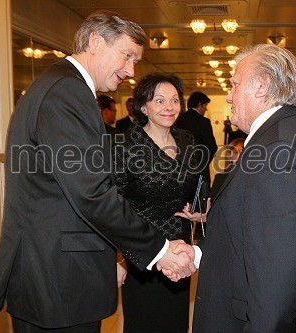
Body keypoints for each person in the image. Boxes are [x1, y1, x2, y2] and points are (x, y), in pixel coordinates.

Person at [0, 11, 195, 332]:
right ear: (95, 42)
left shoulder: (57, 86)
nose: (130, 70)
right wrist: (161, 250)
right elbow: (91, 192)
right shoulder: (68, 93)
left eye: (136, 61)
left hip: (54, 272)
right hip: (59, 277)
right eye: (127, 56)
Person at [189, 44, 296, 332]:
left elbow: (277, 278)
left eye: (235, 84)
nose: (228, 94)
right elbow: (250, 231)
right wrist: (199, 253)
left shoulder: (279, 148)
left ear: (262, 86)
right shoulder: (287, 134)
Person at [114, 73, 200, 333]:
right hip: (142, 254)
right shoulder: (126, 145)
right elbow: (114, 206)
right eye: (160, 101)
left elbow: (194, 186)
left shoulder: (187, 140)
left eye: (174, 100)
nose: (169, 107)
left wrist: (197, 212)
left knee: (175, 324)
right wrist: (117, 260)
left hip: (180, 251)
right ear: (143, 107)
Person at [174, 91, 218, 185]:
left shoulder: (178, 120)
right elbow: (212, 147)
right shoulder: (204, 122)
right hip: (201, 171)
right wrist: (203, 165)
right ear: (200, 104)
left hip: (181, 170)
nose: (206, 109)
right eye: (205, 105)